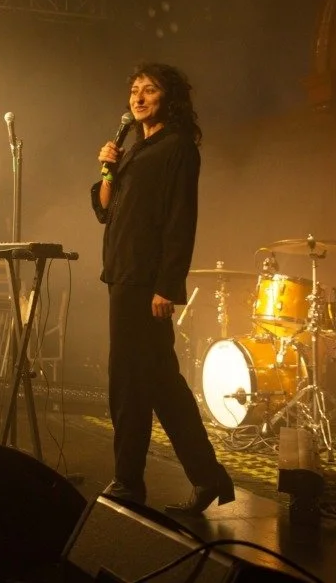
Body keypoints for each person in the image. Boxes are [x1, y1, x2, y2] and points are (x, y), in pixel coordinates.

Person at [90, 63, 233, 515]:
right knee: (161, 384)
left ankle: (129, 483)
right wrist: (108, 168)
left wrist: (166, 287)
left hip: (146, 282)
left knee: (129, 383)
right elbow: (104, 209)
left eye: (149, 90)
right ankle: (208, 478)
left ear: (168, 99)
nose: (139, 97)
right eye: (134, 90)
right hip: (122, 274)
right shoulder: (133, 149)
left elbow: (180, 220)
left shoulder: (178, 149)